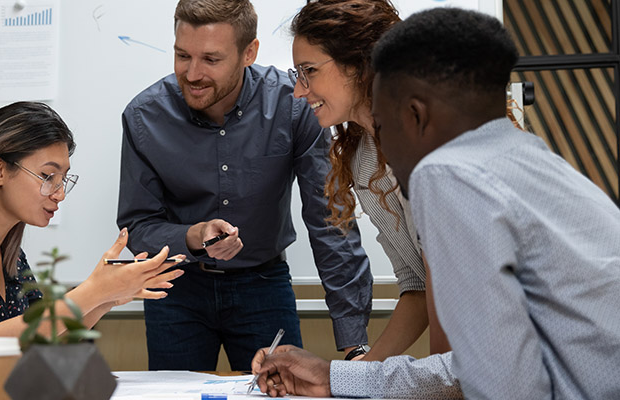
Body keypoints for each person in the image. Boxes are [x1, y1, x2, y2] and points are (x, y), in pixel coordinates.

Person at [252, 7, 620, 399]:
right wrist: (350, 375)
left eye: (309, 71)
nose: (300, 90)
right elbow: (434, 303)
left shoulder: (443, 171)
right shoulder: (520, 153)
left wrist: (350, 380)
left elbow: (480, 375)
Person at [117, 0, 373, 371]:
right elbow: (138, 227)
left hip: (263, 284)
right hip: (176, 286)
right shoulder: (144, 116)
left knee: (279, 393)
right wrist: (195, 234)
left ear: (249, 52)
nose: (192, 73)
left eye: (211, 59)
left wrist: (354, 345)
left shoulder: (294, 107)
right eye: (182, 55)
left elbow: (330, 220)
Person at [0, 101, 184, 362]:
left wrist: (105, 300)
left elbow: (42, 343)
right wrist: (93, 291)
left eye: (63, 180)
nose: (59, 194)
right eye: (48, 176)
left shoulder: (10, 255)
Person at [288, 0, 449, 360]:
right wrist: (361, 372)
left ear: (361, 64)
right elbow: (419, 285)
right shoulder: (365, 157)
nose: (299, 90)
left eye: (309, 71)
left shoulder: (428, 142)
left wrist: (443, 385)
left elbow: (450, 291)